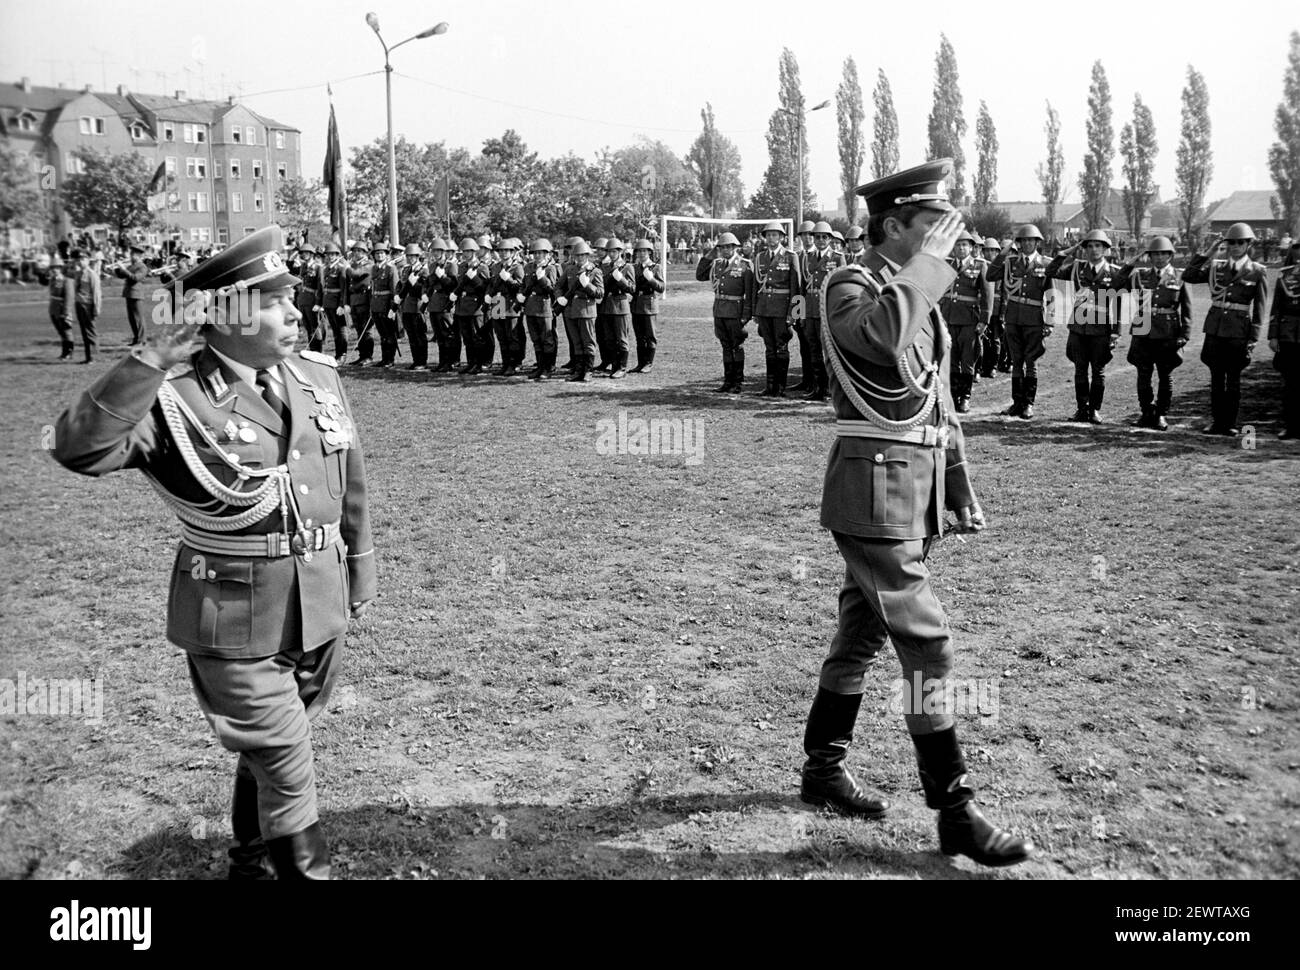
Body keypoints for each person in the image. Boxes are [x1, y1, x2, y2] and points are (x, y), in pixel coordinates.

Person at [51, 225, 376, 879]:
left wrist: (359, 568)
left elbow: (351, 477)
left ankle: (252, 860)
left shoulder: (314, 378)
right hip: (232, 611)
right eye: (273, 302)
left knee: (281, 740)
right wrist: (147, 361)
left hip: (317, 598)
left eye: (293, 297)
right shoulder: (173, 401)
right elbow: (79, 448)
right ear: (222, 317)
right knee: (285, 753)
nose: (294, 312)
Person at [807, 158, 1033, 868]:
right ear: (893, 225)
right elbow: (876, 340)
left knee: (863, 633)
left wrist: (957, 484)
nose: (947, 242)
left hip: (914, 485)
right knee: (927, 644)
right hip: (872, 490)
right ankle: (955, 810)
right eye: (931, 228)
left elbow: (937, 403)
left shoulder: (919, 293)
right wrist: (930, 269)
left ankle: (821, 769)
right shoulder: (852, 285)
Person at [1183, 223, 1268, 436]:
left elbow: (1259, 308)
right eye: (1231, 242)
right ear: (1225, 244)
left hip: (1238, 332)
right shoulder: (1216, 267)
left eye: (1241, 242)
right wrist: (1208, 253)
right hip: (1215, 330)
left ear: (1248, 244)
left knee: (1233, 381)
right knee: (1216, 379)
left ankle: (1229, 423)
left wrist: (1253, 338)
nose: (1236, 246)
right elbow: (1189, 276)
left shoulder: (1257, 271)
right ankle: (1217, 422)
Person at [1116, 236, 1191, 430]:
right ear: (1149, 256)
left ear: (1170, 255)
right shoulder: (1139, 275)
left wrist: (1185, 334)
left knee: (1165, 374)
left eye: (1163, 254)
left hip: (1168, 331)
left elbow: (1187, 308)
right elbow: (1115, 285)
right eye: (1155, 254)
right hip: (1142, 329)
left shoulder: (1180, 276)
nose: (1159, 258)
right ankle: (1146, 412)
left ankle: (1161, 414)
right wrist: (1130, 264)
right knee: (1143, 374)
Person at [1049, 229, 1123, 423]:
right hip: (1079, 327)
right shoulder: (1075, 268)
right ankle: (1082, 408)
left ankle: (1094, 410)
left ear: (1106, 249)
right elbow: (1050, 272)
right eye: (1089, 246)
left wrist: (1116, 332)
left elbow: (1118, 304)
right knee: (1080, 370)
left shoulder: (1114, 272)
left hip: (1101, 329)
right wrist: (1066, 252)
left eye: (1098, 246)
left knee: (1098, 371)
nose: (1093, 250)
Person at [985, 225, 1055, 419]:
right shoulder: (1010, 263)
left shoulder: (1044, 264)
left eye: (1031, 240)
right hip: (1013, 318)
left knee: (1030, 362)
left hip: (1033, 319)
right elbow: (990, 275)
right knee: (1016, 361)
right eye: (1023, 241)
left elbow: (1050, 295)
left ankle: (1028, 404)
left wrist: (1049, 322)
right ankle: (1017, 402)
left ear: (1037, 243)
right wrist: (1003, 253)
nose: (1026, 244)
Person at [939, 230, 992, 413]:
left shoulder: (979, 266)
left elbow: (987, 295)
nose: (961, 248)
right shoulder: (946, 265)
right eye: (957, 245)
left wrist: (984, 320)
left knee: (967, 359)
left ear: (971, 247)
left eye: (964, 245)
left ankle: (965, 398)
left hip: (970, 320)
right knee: (951, 359)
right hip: (949, 317)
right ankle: (953, 396)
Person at [695, 232, 754, 394]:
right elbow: (699, 275)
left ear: (735, 248)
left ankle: (738, 381)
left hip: (736, 311)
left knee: (737, 346)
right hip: (719, 311)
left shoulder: (745, 265)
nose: (726, 250)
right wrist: (710, 254)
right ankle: (728, 381)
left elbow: (749, 294)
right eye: (722, 247)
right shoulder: (716, 264)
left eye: (729, 247)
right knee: (726, 346)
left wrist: (746, 315)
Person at [752, 221, 804, 397]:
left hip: (782, 309)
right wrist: (755, 311)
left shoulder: (790, 256)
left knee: (781, 347)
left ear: (782, 237)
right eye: (768, 235)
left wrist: (795, 314)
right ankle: (770, 386)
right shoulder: (760, 257)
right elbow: (754, 286)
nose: (771, 238)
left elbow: (796, 288)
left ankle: (780, 388)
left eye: (775, 235)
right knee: (769, 347)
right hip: (764, 309)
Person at [801, 221, 846, 401]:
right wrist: (800, 314)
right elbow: (801, 288)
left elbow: (842, 288)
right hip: (810, 309)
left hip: (827, 309)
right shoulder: (807, 257)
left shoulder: (837, 257)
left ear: (830, 239)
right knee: (813, 349)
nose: (820, 240)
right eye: (817, 237)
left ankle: (830, 389)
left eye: (824, 237)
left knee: (829, 350)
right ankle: (818, 388)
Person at [1267, 238, 1300, 440]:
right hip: (1289, 334)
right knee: (1290, 383)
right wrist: (1273, 335)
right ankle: (1291, 426)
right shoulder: (1285, 276)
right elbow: (1276, 308)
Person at [559, 239, 604, 383]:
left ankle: (588, 371)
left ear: (587, 255)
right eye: (577, 255)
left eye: (582, 255)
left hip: (586, 310)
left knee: (588, 342)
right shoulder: (569, 270)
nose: (579, 258)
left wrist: (587, 285)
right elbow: (558, 286)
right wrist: (559, 297)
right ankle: (578, 370)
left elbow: (599, 293)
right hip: (571, 310)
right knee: (576, 342)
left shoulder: (595, 271)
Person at [488, 238, 527, 376]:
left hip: (510, 304)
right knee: (501, 336)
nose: (504, 253)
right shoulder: (496, 267)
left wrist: (508, 279)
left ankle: (515, 363)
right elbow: (491, 284)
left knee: (512, 336)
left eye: (507, 251)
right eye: (501, 251)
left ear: (512, 252)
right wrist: (488, 294)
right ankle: (505, 363)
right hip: (497, 302)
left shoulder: (517, 267)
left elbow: (521, 286)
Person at [522, 238, 560, 380]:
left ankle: (548, 368)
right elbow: (523, 284)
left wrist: (542, 278)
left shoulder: (551, 268)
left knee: (547, 339)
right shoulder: (528, 267)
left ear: (546, 254)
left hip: (545, 308)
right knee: (536, 339)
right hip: (530, 307)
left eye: (540, 253)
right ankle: (540, 366)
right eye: (535, 253)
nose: (537, 256)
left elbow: (553, 289)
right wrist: (521, 295)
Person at [455, 238, 492, 375]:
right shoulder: (462, 266)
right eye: (464, 251)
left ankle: (479, 363)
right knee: (467, 338)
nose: (465, 254)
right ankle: (471, 363)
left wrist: (474, 278)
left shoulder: (482, 267)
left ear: (474, 252)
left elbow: (485, 287)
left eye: (469, 251)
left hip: (475, 306)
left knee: (477, 337)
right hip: (463, 306)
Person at [600, 239, 635, 379]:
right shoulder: (605, 267)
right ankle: (614, 366)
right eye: (609, 251)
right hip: (606, 307)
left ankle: (622, 367)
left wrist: (621, 279)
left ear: (620, 252)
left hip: (620, 305)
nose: (612, 254)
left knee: (621, 338)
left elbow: (632, 288)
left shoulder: (627, 267)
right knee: (609, 339)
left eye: (614, 251)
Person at [424, 239, 460, 372]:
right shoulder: (432, 265)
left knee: (447, 334)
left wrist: (443, 276)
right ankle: (442, 361)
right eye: (434, 251)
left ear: (443, 252)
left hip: (445, 302)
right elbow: (429, 283)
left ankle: (449, 362)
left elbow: (454, 285)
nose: (435, 253)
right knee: (439, 335)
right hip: (434, 302)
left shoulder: (451, 265)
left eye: (438, 251)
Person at [629, 239, 663, 374]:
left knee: (650, 335)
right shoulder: (634, 268)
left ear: (650, 252)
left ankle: (648, 363)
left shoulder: (656, 267)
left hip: (649, 305)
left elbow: (661, 287)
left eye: (645, 251)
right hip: (636, 304)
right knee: (639, 336)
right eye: (639, 251)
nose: (642, 253)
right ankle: (640, 363)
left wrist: (651, 279)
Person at [366, 241, 401, 368]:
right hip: (376, 305)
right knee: (382, 335)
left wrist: (393, 308)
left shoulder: (391, 269)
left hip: (386, 305)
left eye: (382, 253)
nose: (379, 255)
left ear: (386, 255)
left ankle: (390, 359)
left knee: (389, 334)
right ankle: (384, 358)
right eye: (377, 253)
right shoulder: (374, 269)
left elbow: (394, 291)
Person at [396, 243, 429, 372]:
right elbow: (400, 285)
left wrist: (414, 285)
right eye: (408, 256)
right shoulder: (405, 270)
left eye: (413, 256)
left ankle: (422, 361)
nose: (410, 258)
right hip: (406, 306)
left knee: (419, 334)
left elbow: (424, 288)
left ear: (417, 256)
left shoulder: (423, 270)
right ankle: (416, 360)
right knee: (411, 335)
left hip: (417, 306)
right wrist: (397, 295)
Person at [977, 236, 1007, 377]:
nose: (989, 253)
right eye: (986, 250)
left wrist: (1002, 314)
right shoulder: (981, 265)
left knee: (995, 339)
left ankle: (993, 366)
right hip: (982, 309)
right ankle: (983, 365)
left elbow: (1005, 293)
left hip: (995, 309)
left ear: (997, 252)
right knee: (982, 339)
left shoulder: (1001, 269)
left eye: (992, 251)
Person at [113, 244, 152, 346]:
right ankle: (136, 339)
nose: (130, 256)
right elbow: (122, 275)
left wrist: (123, 269)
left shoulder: (142, 267)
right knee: (132, 319)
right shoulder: (131, 265)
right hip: (129, 293)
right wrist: (117, 268)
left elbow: (135, 278)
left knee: (139, 318)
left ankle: (142, 340)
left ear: (138, 256)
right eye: (131, 254)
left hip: (136, 293)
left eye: (132, 254)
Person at [344, 242, 374, 365]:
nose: (356, 253)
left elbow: (357, 274)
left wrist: (346, 267)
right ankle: (362, 355)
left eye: (359, 251)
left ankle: (368, 356)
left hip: (364, 300)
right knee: (359, 329)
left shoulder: (369, 265)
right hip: (354, 300)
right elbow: (348, 285)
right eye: (355, 251)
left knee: (366, 330)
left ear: (365, 253)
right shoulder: (353, 265)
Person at [318, 243, 349, 361]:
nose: (330, 257)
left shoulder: (341, 269)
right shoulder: (326, 269)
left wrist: (342, 305)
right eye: (328, 255)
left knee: (341, 329)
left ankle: (343, 354)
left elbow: (343, 289)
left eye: (333, 254)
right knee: (335, 329)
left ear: (337, 255)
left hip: (337, 303)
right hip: (328, 302)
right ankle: (338, 353)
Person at [70, 248, 101, 364]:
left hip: (88, 305)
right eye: (78, 259)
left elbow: (96, 293)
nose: (80, 262)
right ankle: (88, 357)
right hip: (79, 304)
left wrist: (96, 308)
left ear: (88, 260)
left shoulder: (92, 275)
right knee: (84, 331)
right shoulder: (78, 274)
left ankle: (93, 357)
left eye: (83, 259)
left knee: (90, 331)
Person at [47, 255, 76, 360]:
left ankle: (69, 352)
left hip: (62, 309)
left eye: (57, 268)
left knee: (66, 331)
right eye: (52, 268)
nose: (54, 270)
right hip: (54, 309)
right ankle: (64, 352)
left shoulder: (66, 280)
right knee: (60, 331)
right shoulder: (53, 280)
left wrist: (66, 311)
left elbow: (69, 297)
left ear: (60, 268)